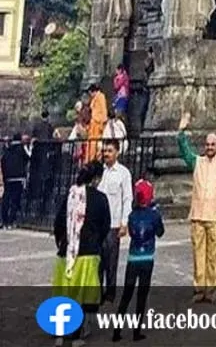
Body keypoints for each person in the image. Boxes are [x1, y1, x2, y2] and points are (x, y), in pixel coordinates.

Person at [176, 111, 216, 303]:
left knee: (213, 255)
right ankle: (199, 289)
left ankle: (213, 288)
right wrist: (182, 130)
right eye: (207, 144)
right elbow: (184, 150)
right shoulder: (197, 162)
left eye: (213, 144)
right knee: (198, 254)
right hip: (198, 214)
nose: (210, 147)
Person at [53, 162, 111, 346]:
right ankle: (76, 336)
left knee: (64, 294)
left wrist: (62, 243)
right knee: (81, 295)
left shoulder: (70, 195)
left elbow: (58, 223)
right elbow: (105, 226)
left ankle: (60, 335)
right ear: (96, 179)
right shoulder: (100, 198)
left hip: (67, 251)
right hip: (87, 252)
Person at [113, 179, 164, 342]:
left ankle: (117, 331)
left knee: (126, 295)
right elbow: (160, 232)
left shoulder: (132, 215)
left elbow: (133, 234)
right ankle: (136, 332)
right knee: (142, 296)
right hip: (147, 258)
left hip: (133, 257)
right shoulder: (154, 214)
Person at [97, 139, 132, 306]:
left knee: (111, 261)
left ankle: (110, 293)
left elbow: (127, 198)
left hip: (113, 223)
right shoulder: (99, 172)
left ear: (117, 152)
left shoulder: (123, 173)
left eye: (110, 151)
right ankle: (97, 291)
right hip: (99, 224)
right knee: (98, 261)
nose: (106, 154)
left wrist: (124, 222)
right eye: (105, 151)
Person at [2, 133, 30, 227]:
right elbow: (28, 157)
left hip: (8, 177)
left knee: (6, 199)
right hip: (19, 177)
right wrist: (28, 146)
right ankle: (11, 220)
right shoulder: (21, 148)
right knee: (15, 200)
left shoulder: (8, 149)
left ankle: (4, 220)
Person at [87, 84, 108, 162]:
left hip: (98, 123)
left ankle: (94, 160)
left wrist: (103, 124)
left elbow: (104, 110)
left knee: (96, 144)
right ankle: (90, 160)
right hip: (93, 124)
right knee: (91, 143)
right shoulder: (95, 98)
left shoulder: (101, 97)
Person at [136, 49, 155, 133]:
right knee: (141, 111)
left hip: (149, 90)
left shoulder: (153, 65)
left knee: (145, 109)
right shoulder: (147, 64)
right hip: (145, 90)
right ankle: (142, 129)